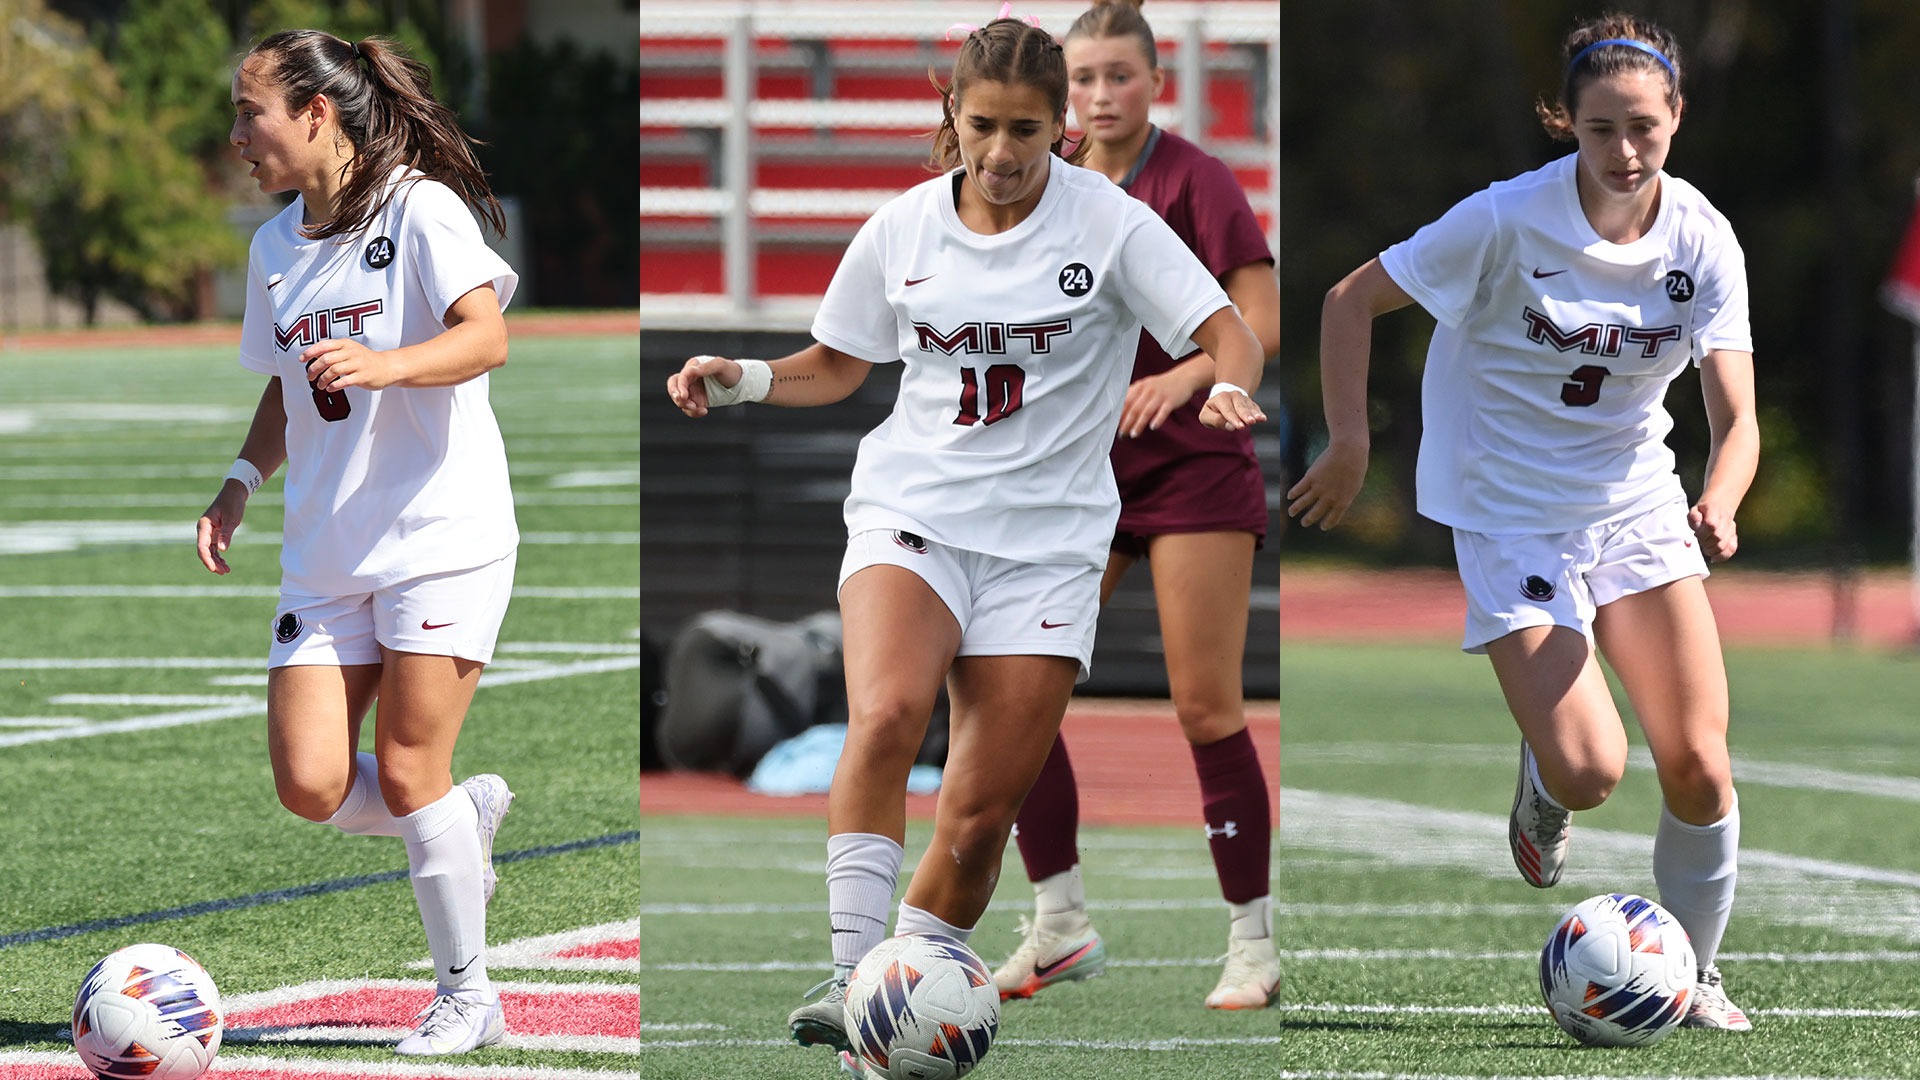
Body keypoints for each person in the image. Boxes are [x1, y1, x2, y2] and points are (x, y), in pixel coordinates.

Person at [665, 11, 1268, 1070]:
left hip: (1050, 548)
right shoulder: (900, 229)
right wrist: (748, 377)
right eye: (983, 126)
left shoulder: (1113, 226)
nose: (1001, 153)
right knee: (889, 710)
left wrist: (1223, 385)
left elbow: (1228, 331)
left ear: (1063, 129)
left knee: (980, 820)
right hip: (917, 512)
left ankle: (899, 1007)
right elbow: (840, 364)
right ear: (952, 115)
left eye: (1027, 131)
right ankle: (859, 984)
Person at [1287, 13, 1757, 1032]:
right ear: (1568, 127)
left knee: (1698, 762)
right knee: (1591, 770)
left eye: (1643, 125)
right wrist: (1351, 444)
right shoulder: (1503, 220)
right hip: (1509, 513)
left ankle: (1696, 976)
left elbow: (1739, 418)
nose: (1624, 151)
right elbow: (1346, 300)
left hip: (1635, 503)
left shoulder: (1704, 240)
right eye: (1599, 130)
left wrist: (1718, 498)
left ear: (1677, 115)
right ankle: (1546, 770)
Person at [197, 29, 520, 1056]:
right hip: (327, 553)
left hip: (442, 536)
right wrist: (241, 480)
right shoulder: (272, 245)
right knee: (311, 784)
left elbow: (488, 336)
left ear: (317, 113)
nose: (238, 134)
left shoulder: (419, 209)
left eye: (252, 112)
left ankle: (468, 997)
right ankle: (459, 833)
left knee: (413, 768)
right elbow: (284, 381)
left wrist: (386, 365)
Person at [989, 0, 1279, 1011]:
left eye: (1121, 75)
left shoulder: (1195, 180)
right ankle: (1058, 921)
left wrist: (1186, 374)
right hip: (1077, 472)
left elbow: (1259, 323)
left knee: (1204, 706)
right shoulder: (1038, 185)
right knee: (1009, 687)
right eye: (1085, 78)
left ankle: (1253, 942)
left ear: (1157, 82)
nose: (1101, 96)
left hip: (1194, 466)